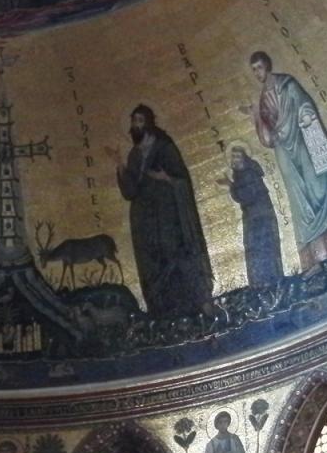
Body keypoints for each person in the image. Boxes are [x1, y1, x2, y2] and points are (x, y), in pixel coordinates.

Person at [245, 52, 327, 272]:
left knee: (321, 187)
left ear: (267, 65)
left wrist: (304, 115)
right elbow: (267, 140)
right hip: (284, 151)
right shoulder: (263, 101)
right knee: (300, 203)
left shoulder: (287, 84)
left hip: (302, 138)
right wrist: (256, 116)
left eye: (259, 67)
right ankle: (314, 259)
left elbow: (304, 104)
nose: (257, 73)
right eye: (253, 69)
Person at [110, 103, 213, 318]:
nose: (136, 126)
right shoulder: (134, 154)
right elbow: (130, 192)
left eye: (140, 121)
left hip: (168, 214)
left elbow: (181, 179)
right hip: (145, 220)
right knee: (152, 263)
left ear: (149, 123)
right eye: (133, 121)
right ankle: (163, 312)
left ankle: (191, 306)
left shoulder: (164, 147)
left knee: (174, 254)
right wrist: (119, 164)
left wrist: (166, 178)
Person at [215, 146, 283, 287]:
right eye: (233, 157)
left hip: (260, 219)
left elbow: (247, 195)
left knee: (263, 249)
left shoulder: (249, 173)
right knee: (255, 250)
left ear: (244, 158)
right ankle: (260, 282)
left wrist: (230, 185)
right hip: (253, 218)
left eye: (238, 156)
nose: (235, 160)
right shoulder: (241, 174)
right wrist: (232, 184)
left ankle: (269, 281)